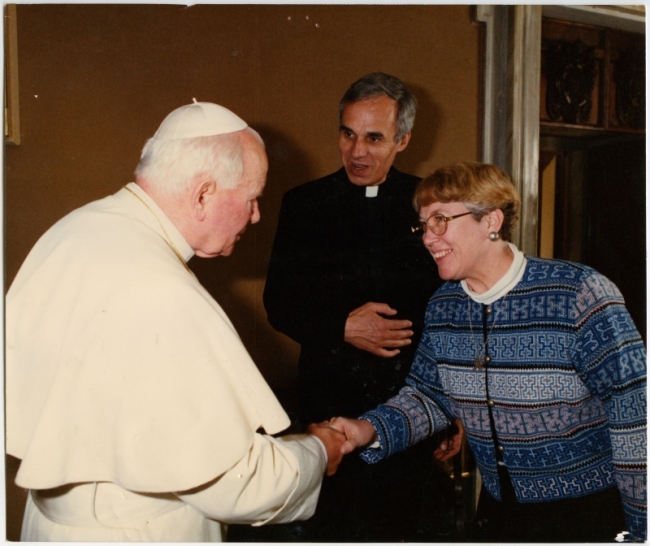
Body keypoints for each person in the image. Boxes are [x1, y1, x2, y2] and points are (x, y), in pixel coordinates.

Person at [5, 100, 347, 542]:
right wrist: (318, 451)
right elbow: (235, 485)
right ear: (204, 193)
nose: (256, 215)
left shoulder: (75, 227)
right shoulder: (163, 292)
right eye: (252, 198)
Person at [330, 161, 647, 542]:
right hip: (498, 511)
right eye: (424, 224)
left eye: (442, 220)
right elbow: (428, 397)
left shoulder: (579, 294)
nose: (429, 238)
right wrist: (366, 430)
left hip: (585, 515)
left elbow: (636, 412)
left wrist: (641, 525)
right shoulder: (444, 306)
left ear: (491, 221)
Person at [254, 73, 462, 542]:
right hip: (330, 416)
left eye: (373, 138)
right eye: (347, 133)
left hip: (412, 412)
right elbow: (278, 303)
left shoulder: (429, 205)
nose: (356, 152)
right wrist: (340, 326)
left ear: (403, 140)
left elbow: (450, 311)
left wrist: (456, 411)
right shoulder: (304, 204)